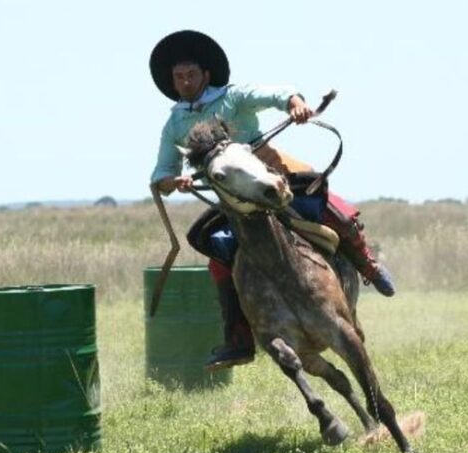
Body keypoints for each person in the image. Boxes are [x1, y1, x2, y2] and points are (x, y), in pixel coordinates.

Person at [149, 30, 395, 371]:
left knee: (333, 209)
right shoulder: (174, 124)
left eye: (191, 74)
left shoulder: (233, 97)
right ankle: (239, 339)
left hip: (274, 174)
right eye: (179, 77)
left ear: (206, 75)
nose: (186, 82)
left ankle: (368, 264)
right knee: (219, 261)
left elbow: (277, 94)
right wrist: (172, 181)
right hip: (233, 199)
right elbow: (161, 173)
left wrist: (295, 103)